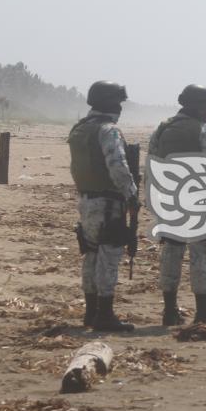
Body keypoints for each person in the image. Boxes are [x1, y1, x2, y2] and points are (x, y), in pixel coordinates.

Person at [149, 84, 206, 326]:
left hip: (169, 199)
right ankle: (203, 312)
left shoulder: (162, 129)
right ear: (198, 107)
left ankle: (169, 311)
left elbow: (152, 162)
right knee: (200, 254)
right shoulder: (204, 131)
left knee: (171, 253)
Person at [68, 81, 139, 332]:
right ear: (110, 104)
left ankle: (91, 312)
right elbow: (117, 166)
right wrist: (132, 195)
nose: (120, 108)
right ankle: (105, 314)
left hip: (86, 200)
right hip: (108, 203)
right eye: (118, 103)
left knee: (91, 255)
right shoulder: (108, 130)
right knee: (108, 257)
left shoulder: (80, 128)